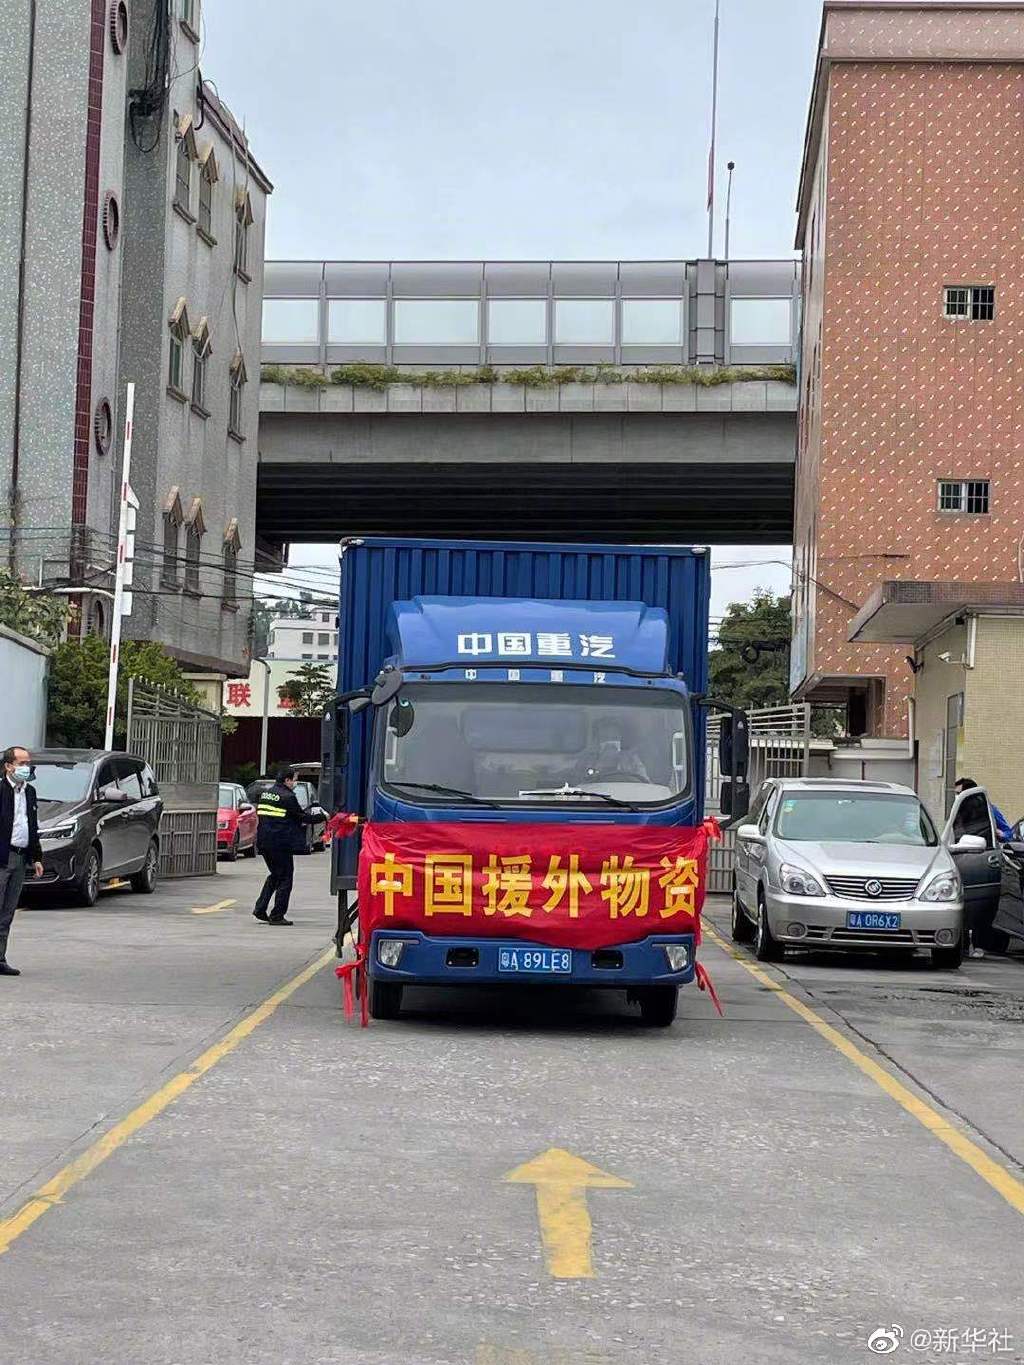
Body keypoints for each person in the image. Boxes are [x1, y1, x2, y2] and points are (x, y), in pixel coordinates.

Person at [252, 769, 322, 926]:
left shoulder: (266, 794)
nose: (295, 783)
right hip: (280, 843)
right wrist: (323, 817)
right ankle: (277, 915)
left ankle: (260, 908)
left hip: (264, 842)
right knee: (285, 877)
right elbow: (302, 817)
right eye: (294, 779)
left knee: (275, 875)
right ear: (287, 780)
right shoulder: (288, 797)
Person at [0, 745, 44, 977]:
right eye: (22, 763)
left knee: (7, 911)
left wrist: (36, 857)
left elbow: (32, 825)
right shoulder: (1, 790)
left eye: (28, 763)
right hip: (2, 856)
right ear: (9, 766)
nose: (27, 768)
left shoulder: (29, 792)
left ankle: (0, 958)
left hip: (20, 856)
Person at [954, 777, 1013, 842]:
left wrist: (1000, 834)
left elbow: (1008, 834)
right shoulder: (953, 811)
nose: (956, 797)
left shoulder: (988, 809)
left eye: (958, 793)